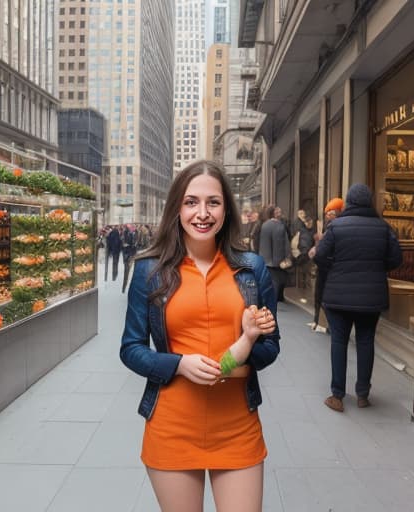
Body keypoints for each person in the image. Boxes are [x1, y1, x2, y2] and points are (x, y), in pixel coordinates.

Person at [120, 160, 280, 512]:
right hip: (172, 425)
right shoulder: (150, 270)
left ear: (226, 209)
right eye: (191, 202)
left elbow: (271, 348)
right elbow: (130, 349)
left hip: (237, 425)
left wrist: (244, 348)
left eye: (213, 202)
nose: (202, 213)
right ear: (177, 207)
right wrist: (178, 364)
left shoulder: (252, 269)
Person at [314, 184, 402, 412]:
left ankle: (337, 396)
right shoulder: (383, 228)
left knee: (339, 342)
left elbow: (320, 256)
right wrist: (377, 268)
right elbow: (396, 260)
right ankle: (363, 394)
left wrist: (335, 267)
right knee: (366, 341)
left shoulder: (336, 226)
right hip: (371, 297)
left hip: (337, 295)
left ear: (349, 203)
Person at [308, 197, 344, 331]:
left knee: (322, 295)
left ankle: (322, 323)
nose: (328, 216)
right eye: (327, 213)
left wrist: (316, 252)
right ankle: (318, 321)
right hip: (328, 266)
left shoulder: (334, 228)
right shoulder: (330, 227)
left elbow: (325, 250)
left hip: (328, 267)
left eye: (331, 213)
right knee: (320, 295)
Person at [258, 205, 290, 301]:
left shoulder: (264, 225)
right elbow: (283, 243)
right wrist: (286, 257)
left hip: (264, 258)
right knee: (276, 281)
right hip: (277, 260)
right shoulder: (280, 225)